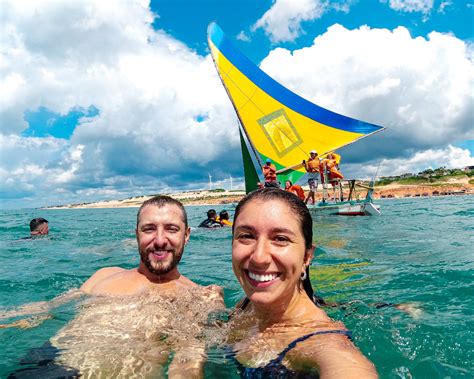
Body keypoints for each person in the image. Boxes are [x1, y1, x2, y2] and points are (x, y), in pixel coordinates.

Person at [4, 196, 224, 378]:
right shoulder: (105, 273)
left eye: (171, 229)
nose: (159, 240)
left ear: (186, 235)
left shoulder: (201, 295)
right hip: (43, 360)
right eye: (149, 229)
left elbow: (188, 359)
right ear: (136, 234)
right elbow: (49, 308)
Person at [228, 188, 378, 377]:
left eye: (280, 239)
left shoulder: (321, 341)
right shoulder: (245, 305)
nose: (259, 257)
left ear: (307, 257)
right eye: (246, 236)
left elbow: (346, 367)